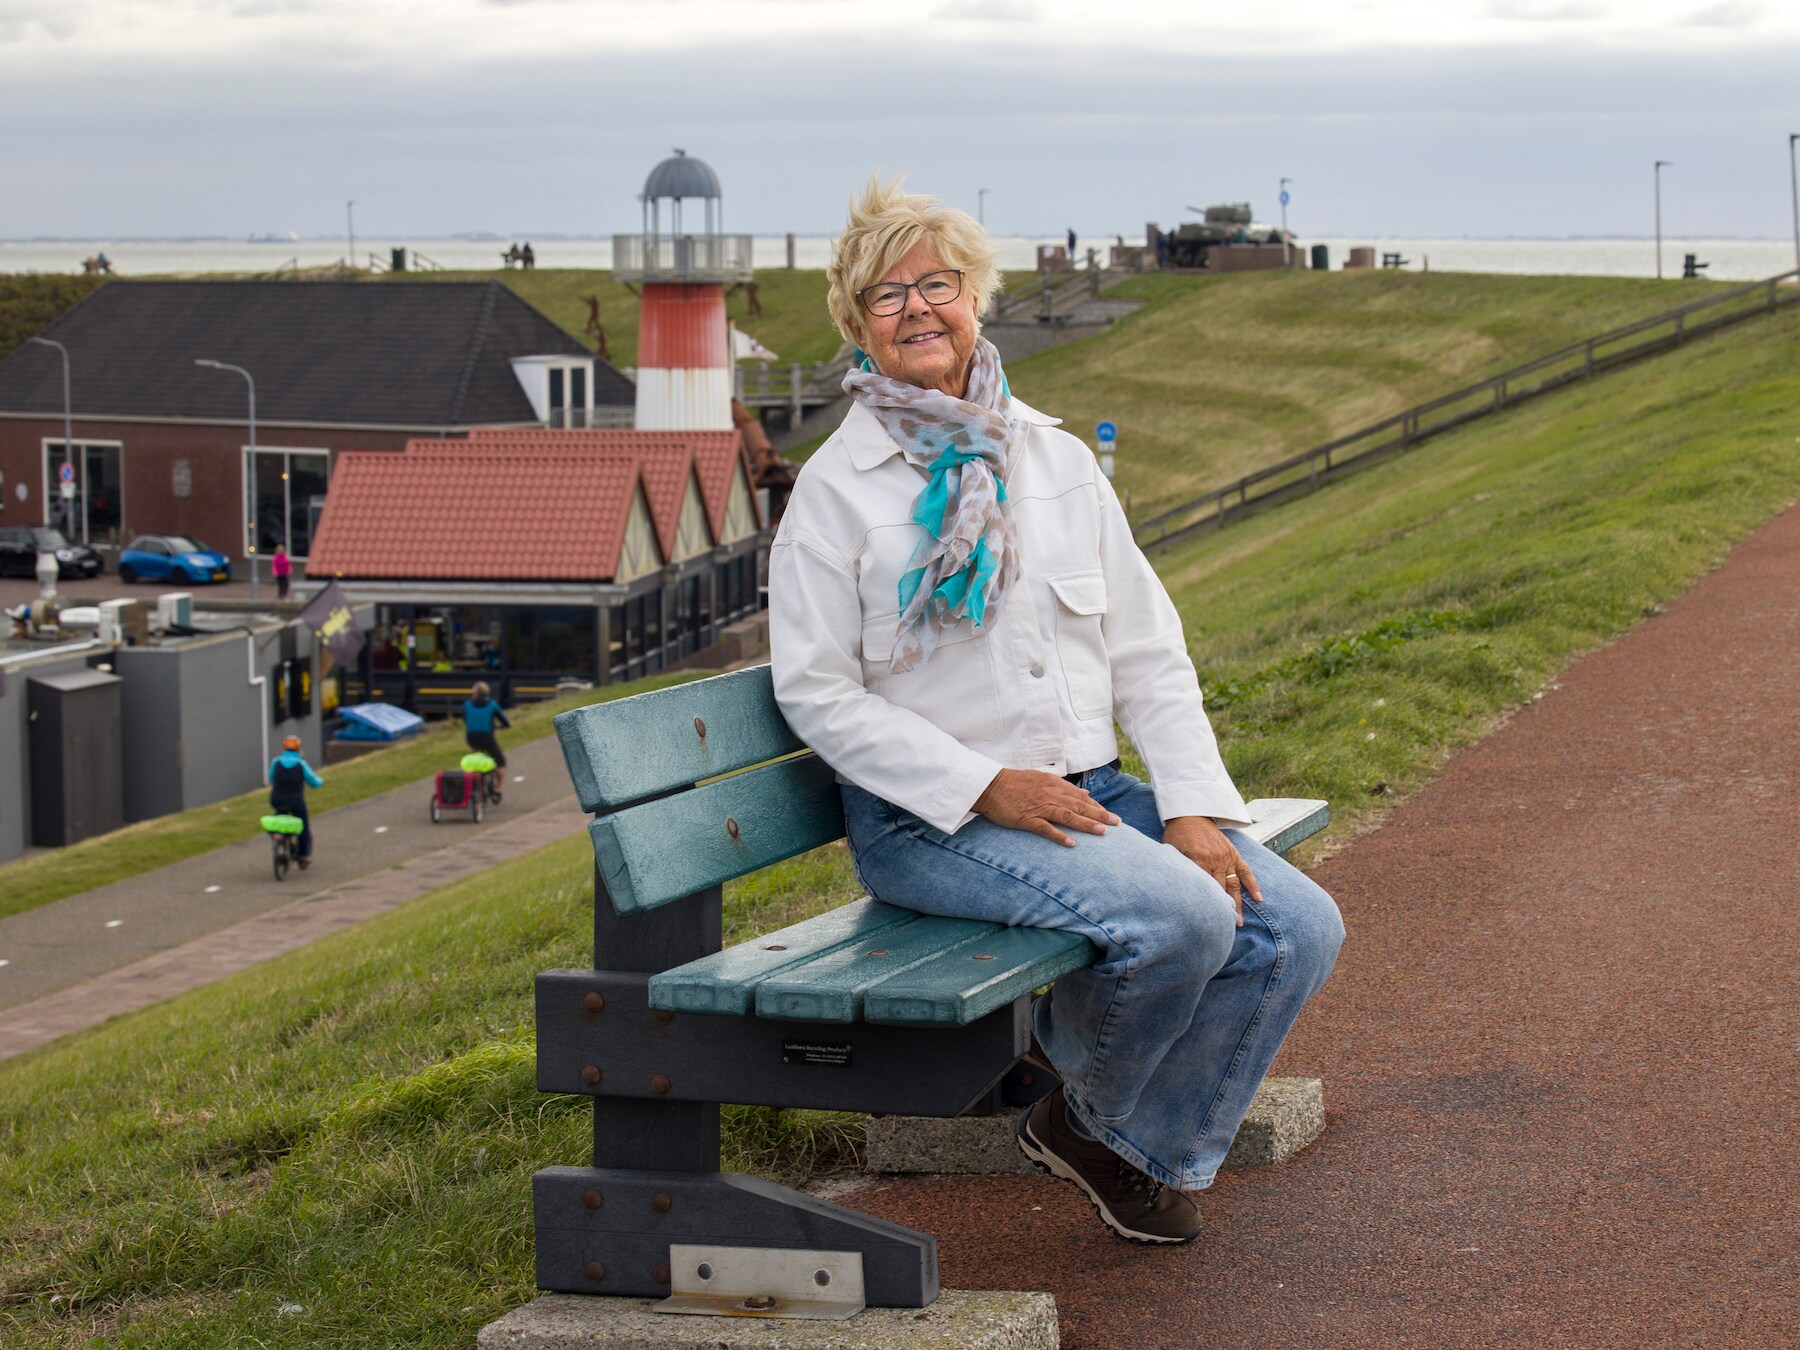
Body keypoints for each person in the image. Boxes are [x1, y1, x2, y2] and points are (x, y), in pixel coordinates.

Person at [769, 178, 1343, 1246]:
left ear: (974, 296)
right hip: (934, 822)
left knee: (1299, 929)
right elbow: (815, 692)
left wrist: (1190, 809)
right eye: (885, 297)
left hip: (1088, 791)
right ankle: (1108, 1128)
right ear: (856, 328)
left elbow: (1146, 646)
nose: (917, 310)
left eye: (936, 283)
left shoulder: (1054, 458)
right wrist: (982, 783)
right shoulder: (836, 491)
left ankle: (1104, 1129)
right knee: (1183, 917)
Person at [267, 735, 324, 868]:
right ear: (299, 749)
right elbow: (314, 782)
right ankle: (304, 855)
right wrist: (321, 781)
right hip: (295, 800)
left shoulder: (276, 762)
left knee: (278, 818)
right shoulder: (301, 764)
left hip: (277, 799)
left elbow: (271, 778)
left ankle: (277, 836)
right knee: (303, 826)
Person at [462, 681, 511, 768]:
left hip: (471, 737)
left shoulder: (467, 704)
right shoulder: (492, 705)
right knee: (501, 762)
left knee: (473, 751)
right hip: (487, 738)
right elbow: (504, 720)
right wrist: (506, 725)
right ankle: (498, 782)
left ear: (474, 693)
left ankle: (468, 774)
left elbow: (465, 719)